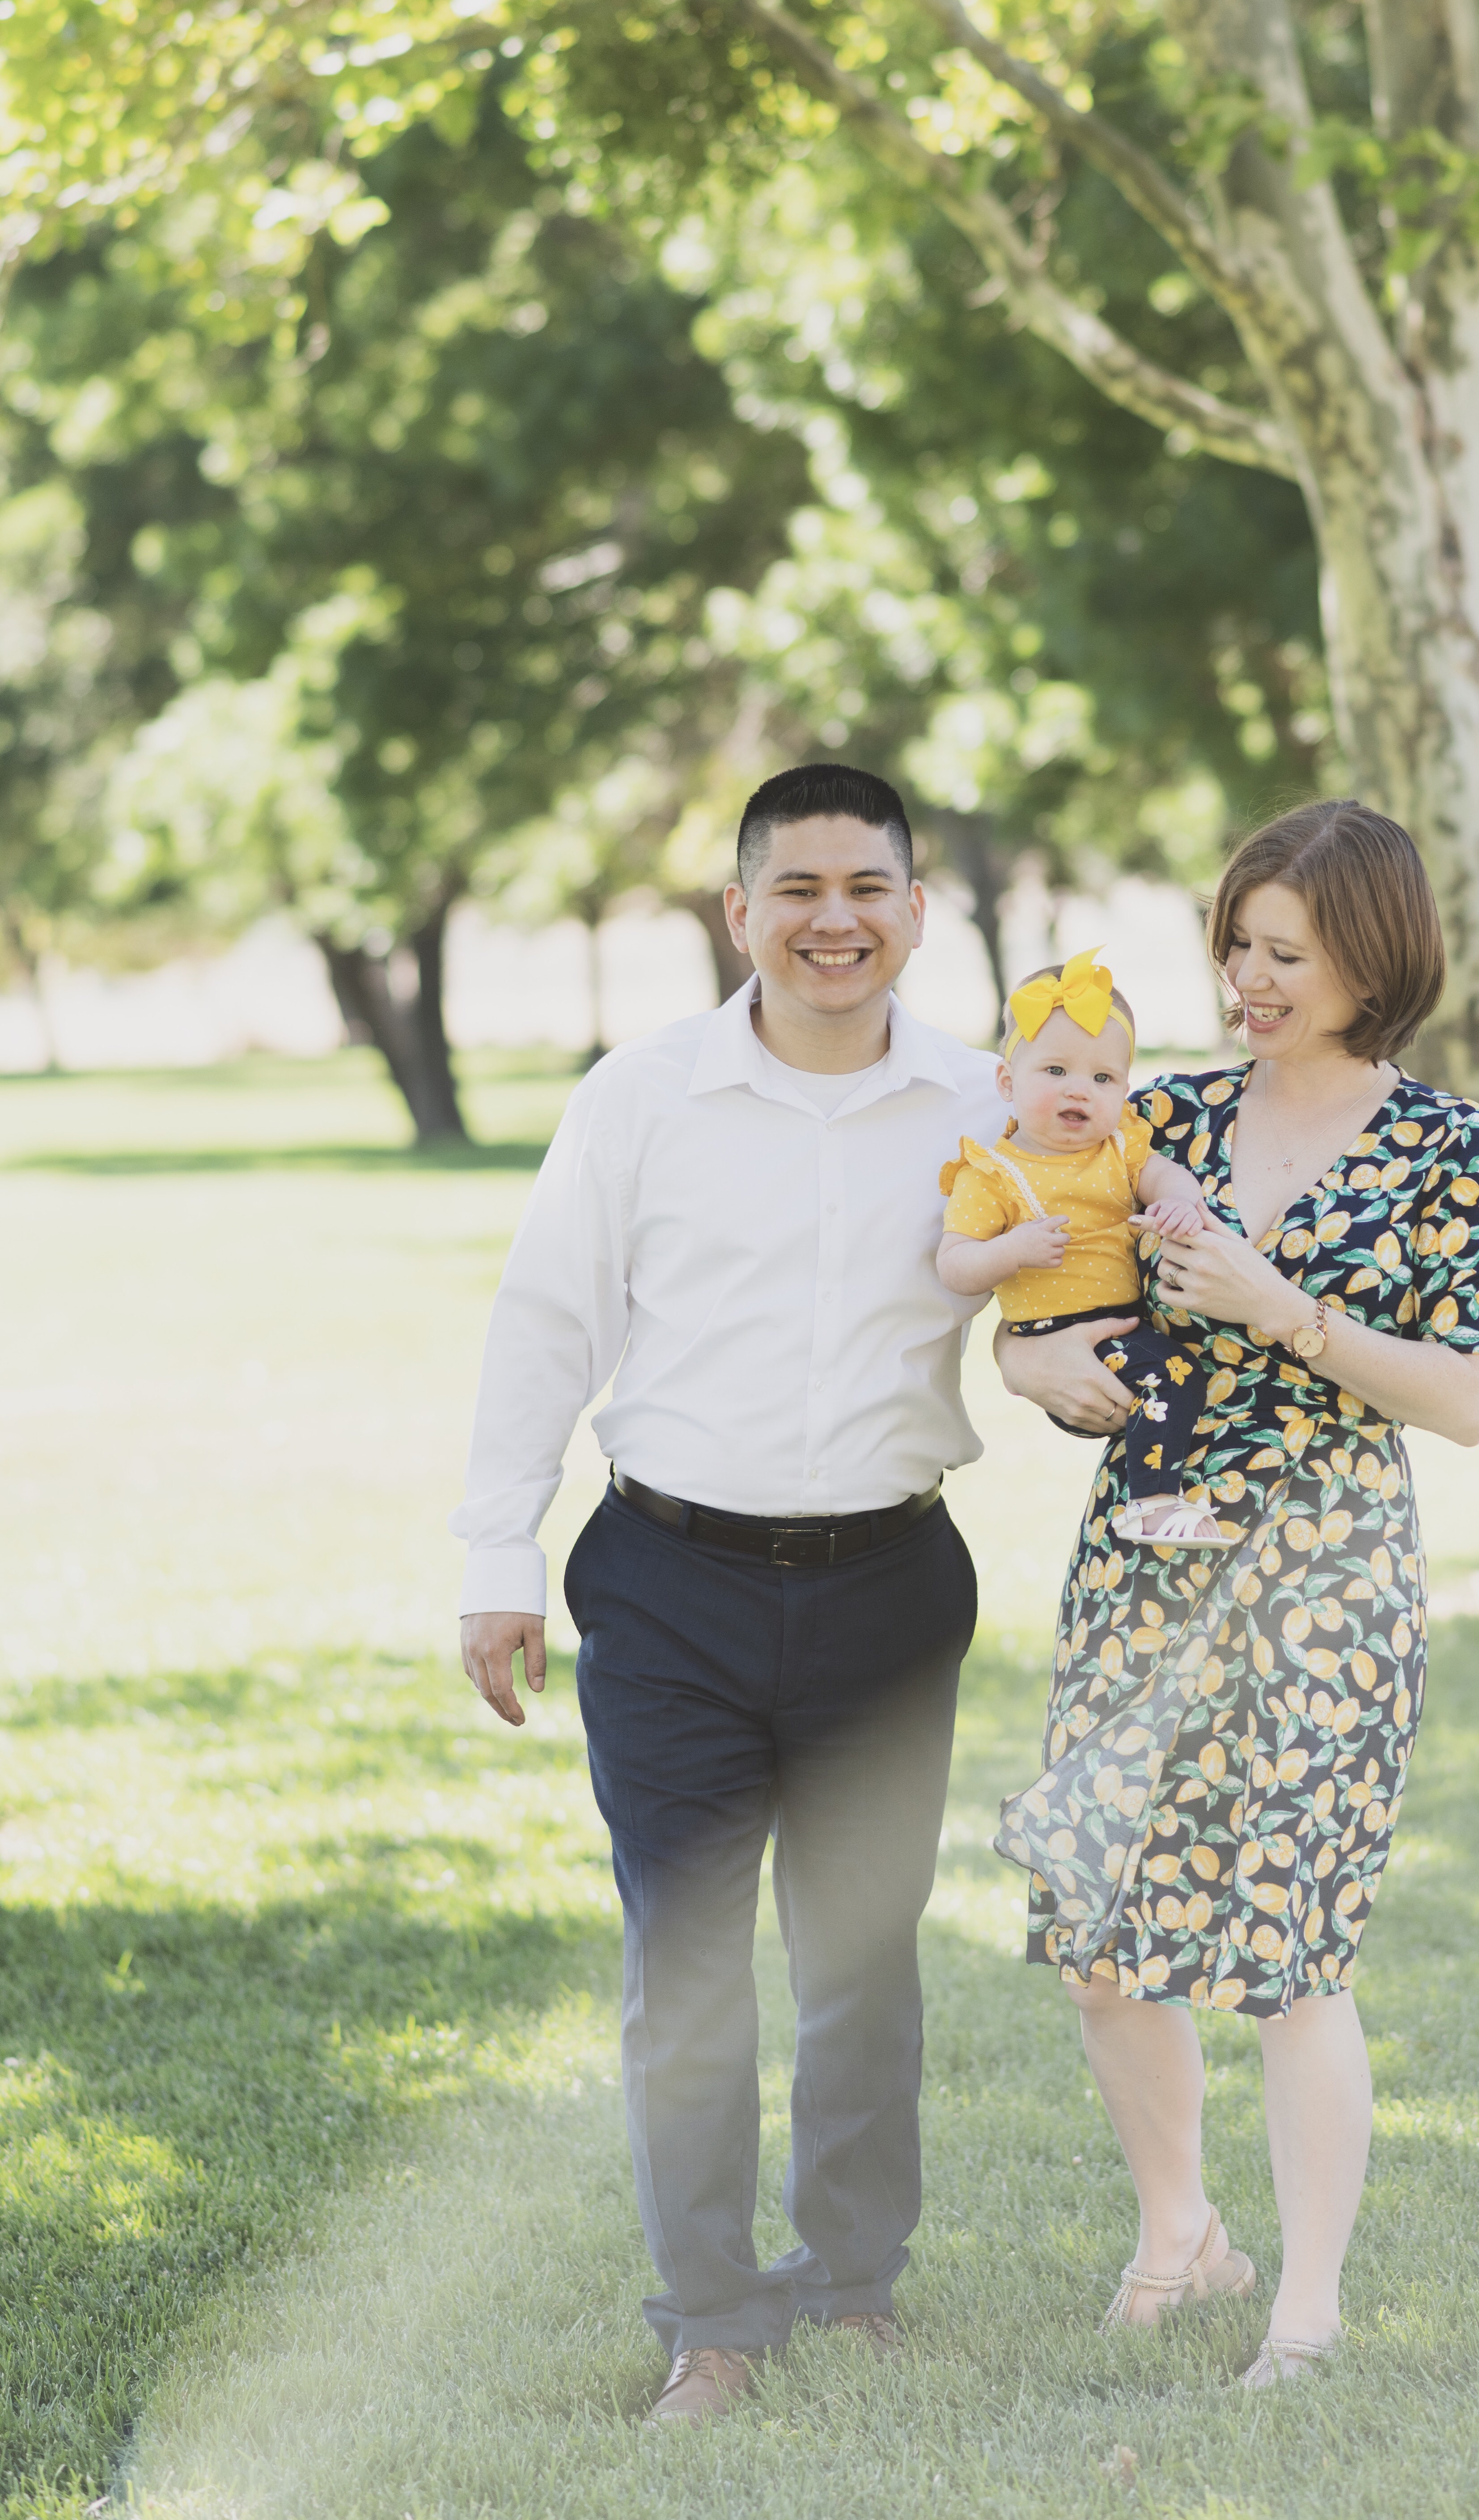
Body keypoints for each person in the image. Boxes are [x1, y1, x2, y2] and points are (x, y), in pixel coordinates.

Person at [453, 762, 1004, 2424]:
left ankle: (850, 2292)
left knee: (860, 1964)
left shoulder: (985, 1100)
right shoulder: (643, 1095)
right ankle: (710, 2315)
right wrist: (496, 1561)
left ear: (914, 908)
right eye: (798, 889)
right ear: (739, 910)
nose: (832, 920)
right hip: (669, 1583)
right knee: (682, 1963)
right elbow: (543, 1323)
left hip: (890, 1587)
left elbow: (1074, 1287)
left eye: (866, 889)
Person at [994, 800, 1479, 2389]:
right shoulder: (1157, 1118)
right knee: (1095, 1926)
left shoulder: (1444, 1144)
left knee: (1288, 1951)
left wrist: (1287, 1312)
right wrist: (1032, 1364)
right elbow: (1036, 1292)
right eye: (1234, 942)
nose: (1246, 975)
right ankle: (1180, 2231)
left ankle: (1305, 2309)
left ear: (1371, 955)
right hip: (1142, 1564)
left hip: (1324, 1581)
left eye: (1282, 950)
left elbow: (1470, 1396)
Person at [934, 949, 1221, 1544]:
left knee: (1170, 1381)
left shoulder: (1119, 1149)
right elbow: (955, 1266)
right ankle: (1153, 1507)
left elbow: (1165, 1175)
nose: (1080, 1092)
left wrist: (1178, 1202)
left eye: (1102, 1078)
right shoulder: (990, 1174)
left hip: (1122, 1327)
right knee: (1177, 1376)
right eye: (1055, 1072)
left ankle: (1153, 1495)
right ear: (1007, 1082)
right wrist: (1011, 1250)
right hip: (1053, 1333)